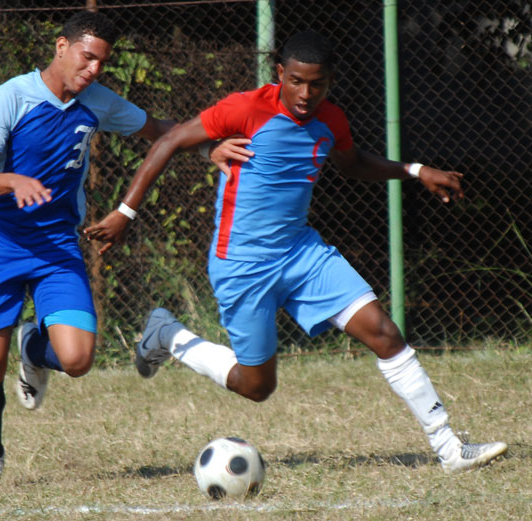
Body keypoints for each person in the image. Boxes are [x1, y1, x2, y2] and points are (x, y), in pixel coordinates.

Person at [85, 30, 507, 473]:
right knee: (256, 387)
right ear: (280, 74)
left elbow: (352, 163)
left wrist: (415, 170)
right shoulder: (245, 108)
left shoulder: (332, 120)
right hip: (242, 265)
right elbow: (170, 140)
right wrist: (124, 213)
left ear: (330, 82)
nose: (306, 94)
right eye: (298, 82)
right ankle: (168, 336)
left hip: (301, 254)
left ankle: (449, 449)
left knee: (383, 332)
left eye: (318, 84)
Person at [0, 11, 250, 489]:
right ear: (61, 46)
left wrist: (208, 148)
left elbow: (158, 129)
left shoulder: (97, 102)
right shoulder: (11, 97)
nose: (93, 69)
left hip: (56, 248)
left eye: (101, 62)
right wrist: (12, 179)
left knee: (76, 360)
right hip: (0, 245)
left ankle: (34, 345)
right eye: (87, 56)